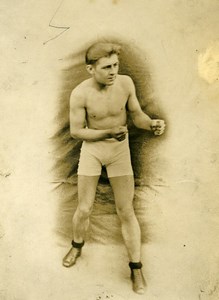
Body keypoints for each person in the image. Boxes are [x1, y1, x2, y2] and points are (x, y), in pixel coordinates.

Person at [62, 42, 165, 295]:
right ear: (90, 69)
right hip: (93, 150)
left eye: (116, 65)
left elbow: (136, 114)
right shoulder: (80, 93)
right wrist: (107, 132)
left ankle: (136, 266)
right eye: (106, 67)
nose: (113, 72)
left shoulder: (125, 83)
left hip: (119, 152)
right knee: (84, 207)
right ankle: (76, 245)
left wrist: (150, 124)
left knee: (125, 210)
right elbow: (76, 132)